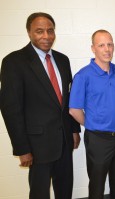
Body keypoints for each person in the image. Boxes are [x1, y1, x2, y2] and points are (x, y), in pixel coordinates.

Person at [0, 12, 81, 199]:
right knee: (39, 193)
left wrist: (74, 129)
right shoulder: (14, 62)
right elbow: (11, 109)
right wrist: (22, 148)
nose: (46, 36)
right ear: (29, 32)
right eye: (39, 31)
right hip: (37, 146)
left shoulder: (63, 59)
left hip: (64, 141)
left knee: (65, 189)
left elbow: (68, 100)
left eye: (50, 31)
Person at [69, 29, 115, 199]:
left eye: (109, 44)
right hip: (98, 139)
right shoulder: (83, 75)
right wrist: (92, 124)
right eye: (101, 45)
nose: (106, 49)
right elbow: (74, 110)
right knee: (97, 184)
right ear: (93, 48)